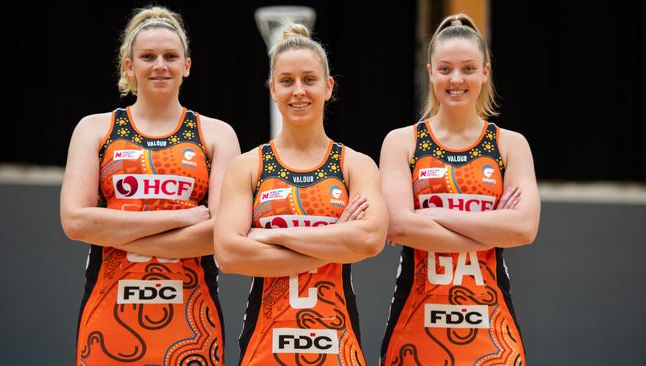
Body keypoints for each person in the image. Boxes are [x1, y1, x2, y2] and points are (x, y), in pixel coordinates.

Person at [60, 5, 240, 365]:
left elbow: (220, 236)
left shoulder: (216, 134)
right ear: (129, 66)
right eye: (148, 56)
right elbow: (76, 223)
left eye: (171, 56)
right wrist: (182, 218)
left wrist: (115, 229)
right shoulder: (95, 129)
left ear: (186, 66)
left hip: (192, 321)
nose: (160, 65)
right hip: (109, 319)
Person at [213, 24, 388, 365]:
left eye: (309, 79)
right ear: (273, 89)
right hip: (265, 343)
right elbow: (230, 254)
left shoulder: (356, 164)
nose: (299, 91)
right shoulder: (248, 166)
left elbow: (369, 239)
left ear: (328, 86)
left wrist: (272, 235)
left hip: (337, 342)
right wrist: (336, 240)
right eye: (287, 81)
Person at [379, 13, 540, 365]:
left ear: (485, 72)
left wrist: (432, 215)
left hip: (491, 328)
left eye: (468, 68)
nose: (456, 79)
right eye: (445, 69)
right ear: (430, 71)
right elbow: (398, 226)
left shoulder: (510, 145)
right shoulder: (402, 142)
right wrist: (493, 225)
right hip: (415, 323)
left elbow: (524, 228)